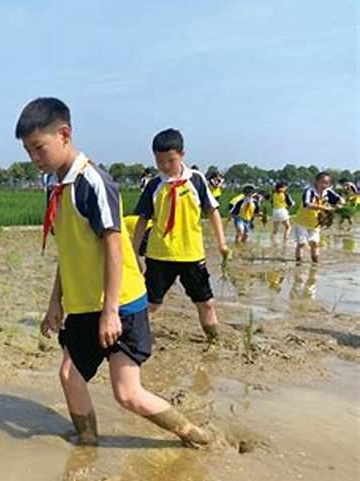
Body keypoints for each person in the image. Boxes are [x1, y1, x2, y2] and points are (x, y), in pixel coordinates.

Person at [16, 97, 211, 448]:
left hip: (119, 304)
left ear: (64, 134)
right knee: (68, 375)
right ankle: (87, 442)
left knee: (127, 394)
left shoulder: (93, 181)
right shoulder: (55, 186)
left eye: (38, 148)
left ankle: (194, 435)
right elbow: (70, 250)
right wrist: (54, 303)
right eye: (29, 151)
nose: (34, 158)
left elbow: (115, 245)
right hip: (83, 304)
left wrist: (110, 312)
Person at [133, 128, 229, 343]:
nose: (165, 166)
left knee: (206, 303)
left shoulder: (196, 180)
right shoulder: (153, 186)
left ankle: (214, 341)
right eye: (160, 161)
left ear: (182, 155)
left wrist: (222, 243)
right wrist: (133, 253)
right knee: (150, 304)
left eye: (171, 160)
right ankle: (136, 339)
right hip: (160, 255)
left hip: (192, 255)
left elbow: (212, 211)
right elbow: (142, 220)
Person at [292, 172, 343, 263]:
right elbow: (308, 204)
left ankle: (315, 264)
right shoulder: (309, 191)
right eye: (322, 182)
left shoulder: (328, 191)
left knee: (315, 243)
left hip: (315, 222)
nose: (325, 185)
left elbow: (340, 199)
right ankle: (298, 264)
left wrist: (340, 204)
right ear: (316, 182)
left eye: (327, 183)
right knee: (302, 243)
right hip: (302, 221)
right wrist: (325, 208)